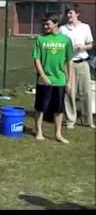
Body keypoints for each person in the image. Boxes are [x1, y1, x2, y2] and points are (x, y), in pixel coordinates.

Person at [32, 13, 73, 143]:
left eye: (48, 24)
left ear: (56, 24)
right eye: (44, 24)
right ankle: (39, 131)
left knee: (58, 108)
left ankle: (58, 134)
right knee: (41, 107)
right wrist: (43, 76)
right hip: (44, 80)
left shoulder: (66, 40)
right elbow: (36, 59)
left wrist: (69, 80)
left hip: (60, 80)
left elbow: (69, 61)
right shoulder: (40, 40)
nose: (45, 26)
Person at [59, 4, 95, 129]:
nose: (69, 15)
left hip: (83, 62)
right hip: (69, 64)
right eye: (67, 13)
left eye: (71, 13)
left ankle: (87, 120)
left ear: (77, 14)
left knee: (86, 92)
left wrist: (82, 47)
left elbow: (90, 44)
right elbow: (59, 45)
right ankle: (70, 120)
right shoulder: (63, 29)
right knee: (69, 92)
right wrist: (68, 48)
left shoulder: (85, 27)